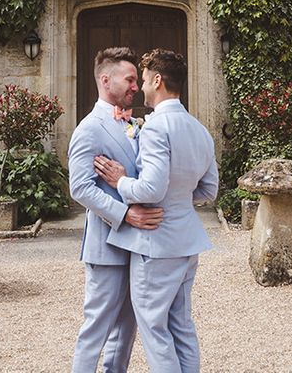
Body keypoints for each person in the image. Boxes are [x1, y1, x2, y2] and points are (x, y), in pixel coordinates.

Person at [95, 48, 219, 373]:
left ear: (159, 80)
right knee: (181, 325)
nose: (142, 88)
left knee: (153, 327)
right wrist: (178, 199)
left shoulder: (155, 127)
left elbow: (151, 189)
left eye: (146, 79)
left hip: (156, 243)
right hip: (187, 243)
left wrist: (121, 181)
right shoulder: (200, 129)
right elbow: (209, 190)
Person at [68, 47, 164, 373]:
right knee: (96, 326)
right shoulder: (88, 129)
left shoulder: (136, 124)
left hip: (139, 245)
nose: (137, 86)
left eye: (137, 80)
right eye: (131, 79)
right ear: (106, 80)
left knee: (128, 326)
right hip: (107, 243)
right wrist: (126, 214)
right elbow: (80, 188)